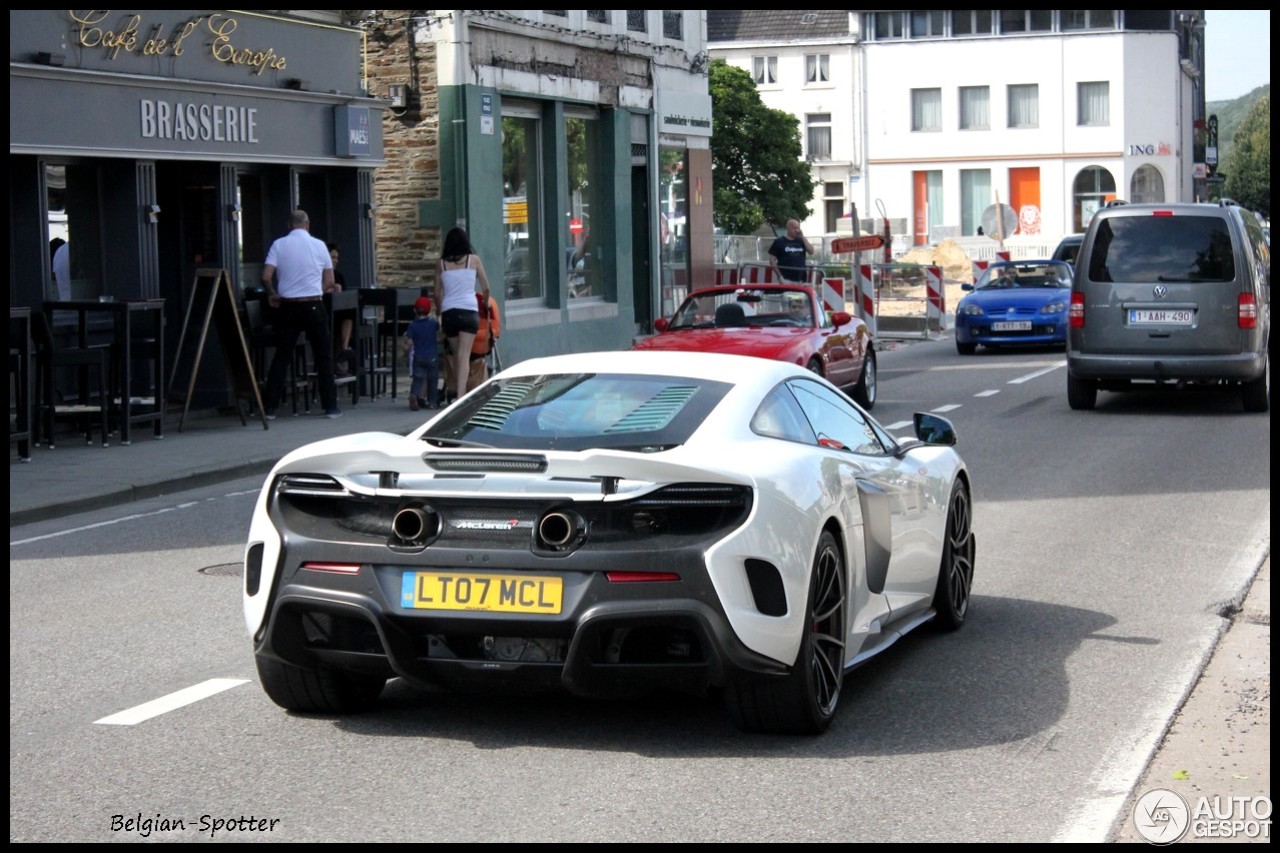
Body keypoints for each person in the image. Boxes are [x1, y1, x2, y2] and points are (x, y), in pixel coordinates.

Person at [261, 209, 342, 419]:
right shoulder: (319, 245)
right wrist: (318, 291)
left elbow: (266, 275)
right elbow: (330, 281)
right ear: (308, 225)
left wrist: (272, 293)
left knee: (282, 355)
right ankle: (330, 406)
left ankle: (269, 408)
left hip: (288, 306)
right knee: (323, 355)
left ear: (290, 226)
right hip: (314, 304)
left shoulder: (279, 245)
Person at [433, 226, 492, 402]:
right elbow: (486, 287)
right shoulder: (474, 261)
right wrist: (485, 301)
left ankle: (459, 392)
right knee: (464, 356)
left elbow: (437, 293)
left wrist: (439, 311)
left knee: (458, 355)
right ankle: (461, 396)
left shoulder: (441, 264)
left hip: (449, 312)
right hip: (469, 311)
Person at [444, 293, 502, 395]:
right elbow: (494, 328)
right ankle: (461, 389)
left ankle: (458, 389)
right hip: (478, 343)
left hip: (476, 344)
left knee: (456, 356)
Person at [402, 296, 440, 411]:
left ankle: (413, 395)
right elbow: (440, 329)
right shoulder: (433, 324)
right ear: (429, 310)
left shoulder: (412, 325)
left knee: (417, 379)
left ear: (414, 310)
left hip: (418, 356)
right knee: (433, 379)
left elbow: (409, 342)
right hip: (432, 356)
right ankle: (432, 402)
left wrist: (405, 347)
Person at [327, 243, 356, 377]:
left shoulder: (338, 276)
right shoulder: (317, 274)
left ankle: (344, 348)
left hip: (337, 313)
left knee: (350, 312)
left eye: (336, 258)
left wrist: (339, 291)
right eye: (333, 257)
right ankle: (335, 359)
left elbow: (345, 298)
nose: (336, 261)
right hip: (323, 312)